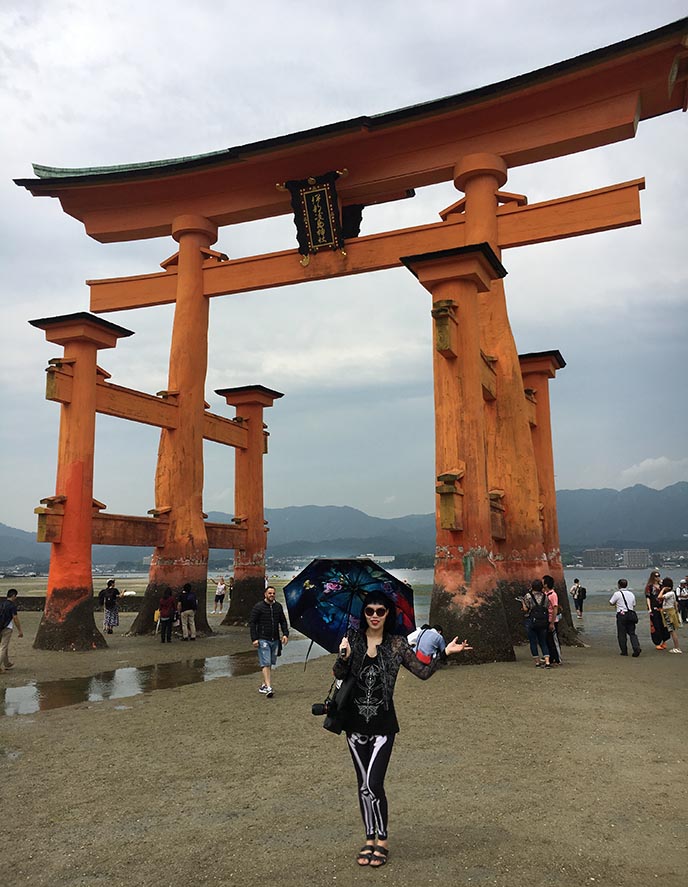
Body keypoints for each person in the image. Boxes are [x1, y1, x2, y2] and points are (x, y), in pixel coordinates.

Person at [334, 591, 471, 867]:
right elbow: (338, 675)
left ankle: (382, 840)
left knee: (374, 783)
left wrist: (444, 654)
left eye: (380, 611)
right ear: (364, 614)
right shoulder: (354, 642)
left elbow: (421, 672)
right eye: (369, 611)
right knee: (362, 787)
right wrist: (344, 656)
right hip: (354, 724)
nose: (374, 615)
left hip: (383, 724)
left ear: (388, 614)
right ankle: (369, 838)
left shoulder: (396, 645)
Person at [249, 586, 289, 698]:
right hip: (263, 639)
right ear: (265, 594)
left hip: (275, 639)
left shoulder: (278, 607)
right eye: (270, 593)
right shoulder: (258, 607)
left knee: (270, 662)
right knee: (265, 662)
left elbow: (283, 621)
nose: (272, 595)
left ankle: (263, 684)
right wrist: (254, 639)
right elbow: (252, 623)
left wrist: (285, 634)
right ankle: (269, 687)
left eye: (273, 593)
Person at [521, 579, 551, 668]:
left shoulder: (528, 596)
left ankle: (537, 662)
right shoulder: (545, 596)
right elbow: (547, 606)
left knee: (533, 642)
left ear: (532, 586)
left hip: (531, 621)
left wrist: (523, 602)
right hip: (543, 621)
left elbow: (526, 609)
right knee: (543, 642)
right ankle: (547, 662)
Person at [609, 579, 641, 657]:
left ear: (619, 585)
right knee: (632, 633)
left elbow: (611, 602)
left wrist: (617, 604)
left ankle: (624, 651)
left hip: (621, 614)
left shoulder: (617, 594)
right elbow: (634, 605)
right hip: (630, 614)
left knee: (621, 634)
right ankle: (636, 647)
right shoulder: (631, 594)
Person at [645, 570, 670, 650]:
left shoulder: (662, 586)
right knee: (656, 625)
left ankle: (664, 641)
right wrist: (649, 608)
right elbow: (648, 598)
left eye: (658, 575)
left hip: (663, 608)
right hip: (654, 608)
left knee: (665, 625)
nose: (658, 577)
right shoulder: (650, 586)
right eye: (656, 576)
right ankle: (657, 642)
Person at [0, 589, 23, 672]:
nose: (16, 598)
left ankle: (7, 663)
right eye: (15, 596)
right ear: (13, 596)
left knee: (3, 646)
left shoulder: (1, 603)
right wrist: (20, 630)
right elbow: (15, 618)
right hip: (7, 628)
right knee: (3, 647)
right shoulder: (12, 606)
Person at [658, 577, 682, 653]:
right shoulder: (672, 593)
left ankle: (677, 647)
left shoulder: (670, 593)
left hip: (668, 612)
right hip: (669, 611)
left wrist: (662, 590)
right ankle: (676, 647)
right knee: (671, 630)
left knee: (672, 630)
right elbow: (675, 603)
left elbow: (659, 597)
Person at [543, 575, 562, 665]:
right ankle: (551, 658)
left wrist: (552, 622)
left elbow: (555, 608)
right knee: (548, 640)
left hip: (552, 620)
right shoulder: (546, 594)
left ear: (546, 584)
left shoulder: (553, 595)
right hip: (547, 619)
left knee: (554, 641)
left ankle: (557, 659)